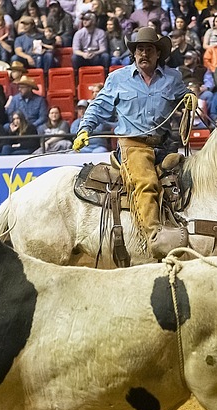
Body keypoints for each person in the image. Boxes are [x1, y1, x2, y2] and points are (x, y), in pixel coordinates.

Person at [73, 27, 191, 258]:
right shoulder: (118, 78)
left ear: (158, 53)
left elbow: (183, 96)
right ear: (134, 53)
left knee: (187, 177)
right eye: (140, 49)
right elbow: (98, 106)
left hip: (165, 145)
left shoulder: (173, 78)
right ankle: (153, 236)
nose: (144, 54)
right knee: (145, 181)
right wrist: (85, 128)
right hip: (132, 145)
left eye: (149, 49)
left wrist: (189, 98)